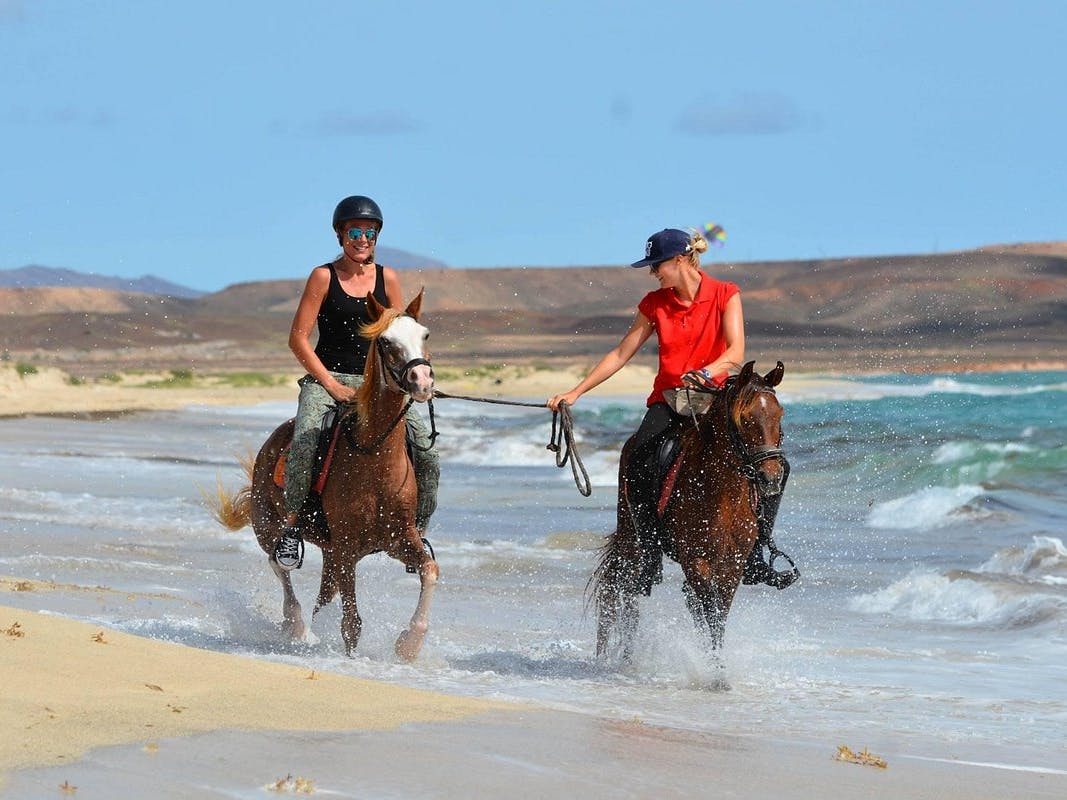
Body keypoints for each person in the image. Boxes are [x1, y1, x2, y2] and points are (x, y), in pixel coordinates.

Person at [547, 227, 791, 589]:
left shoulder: (726, 294)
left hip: (715, 399)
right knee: (637, 457)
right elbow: (620, 353)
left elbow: (735, 352)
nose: (653, 273)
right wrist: (576, 392)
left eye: (656, 265)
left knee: (770, 462)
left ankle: (757, 552)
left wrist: (707, 372)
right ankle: (649, 553)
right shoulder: (654, 304)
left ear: (679, 260)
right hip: (670, 401)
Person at [273, 195, 439, 570]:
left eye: (369, 232)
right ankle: (293, 526)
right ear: (340, 235)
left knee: (426, 449)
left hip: (378, 385)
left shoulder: (388, 278)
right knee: (305, 442)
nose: (362, 239)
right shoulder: (323, 277)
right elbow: (298, 339)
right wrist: (331, 386)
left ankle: (417, 531)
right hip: (328, 380)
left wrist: (411, 377)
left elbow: (403, 332)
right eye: (355, 232)